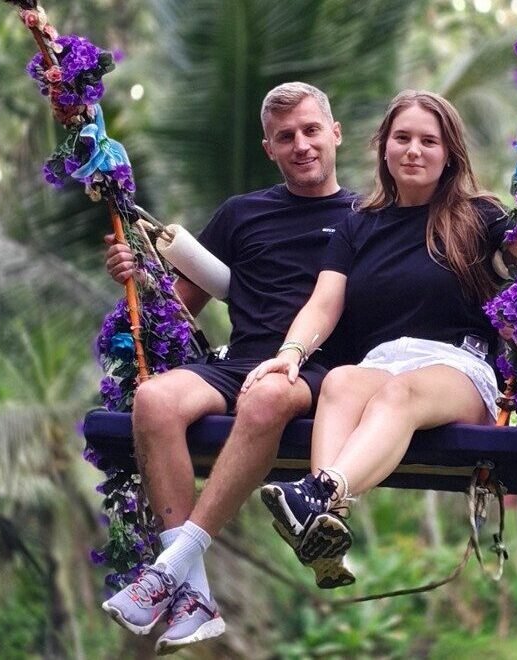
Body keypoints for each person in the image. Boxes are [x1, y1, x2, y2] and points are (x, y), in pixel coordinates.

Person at [243, 90, 517, 565]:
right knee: (342, 381)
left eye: (429, 141)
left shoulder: (480, 216)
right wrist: (291, 354)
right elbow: (324, 303)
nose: (413, 150)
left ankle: (319, 494)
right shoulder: (358, 225)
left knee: (397, 396)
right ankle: (326, 527)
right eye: (402, 138)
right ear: (383, 146)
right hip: (384, 363)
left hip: (457, 367)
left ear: (449, 154)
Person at [100, 82, 359, 654]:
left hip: (325, 372)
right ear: (269, 147)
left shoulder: (365, 217)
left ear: (335, 133)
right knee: (154, 400)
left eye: (312, 131)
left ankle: (170, 566)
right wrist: (135, 278)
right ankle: (192, 595)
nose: (302, 145)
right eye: (286, 137)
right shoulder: (242, 214)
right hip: (240, 361)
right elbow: (176, 307)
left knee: (265, 394)